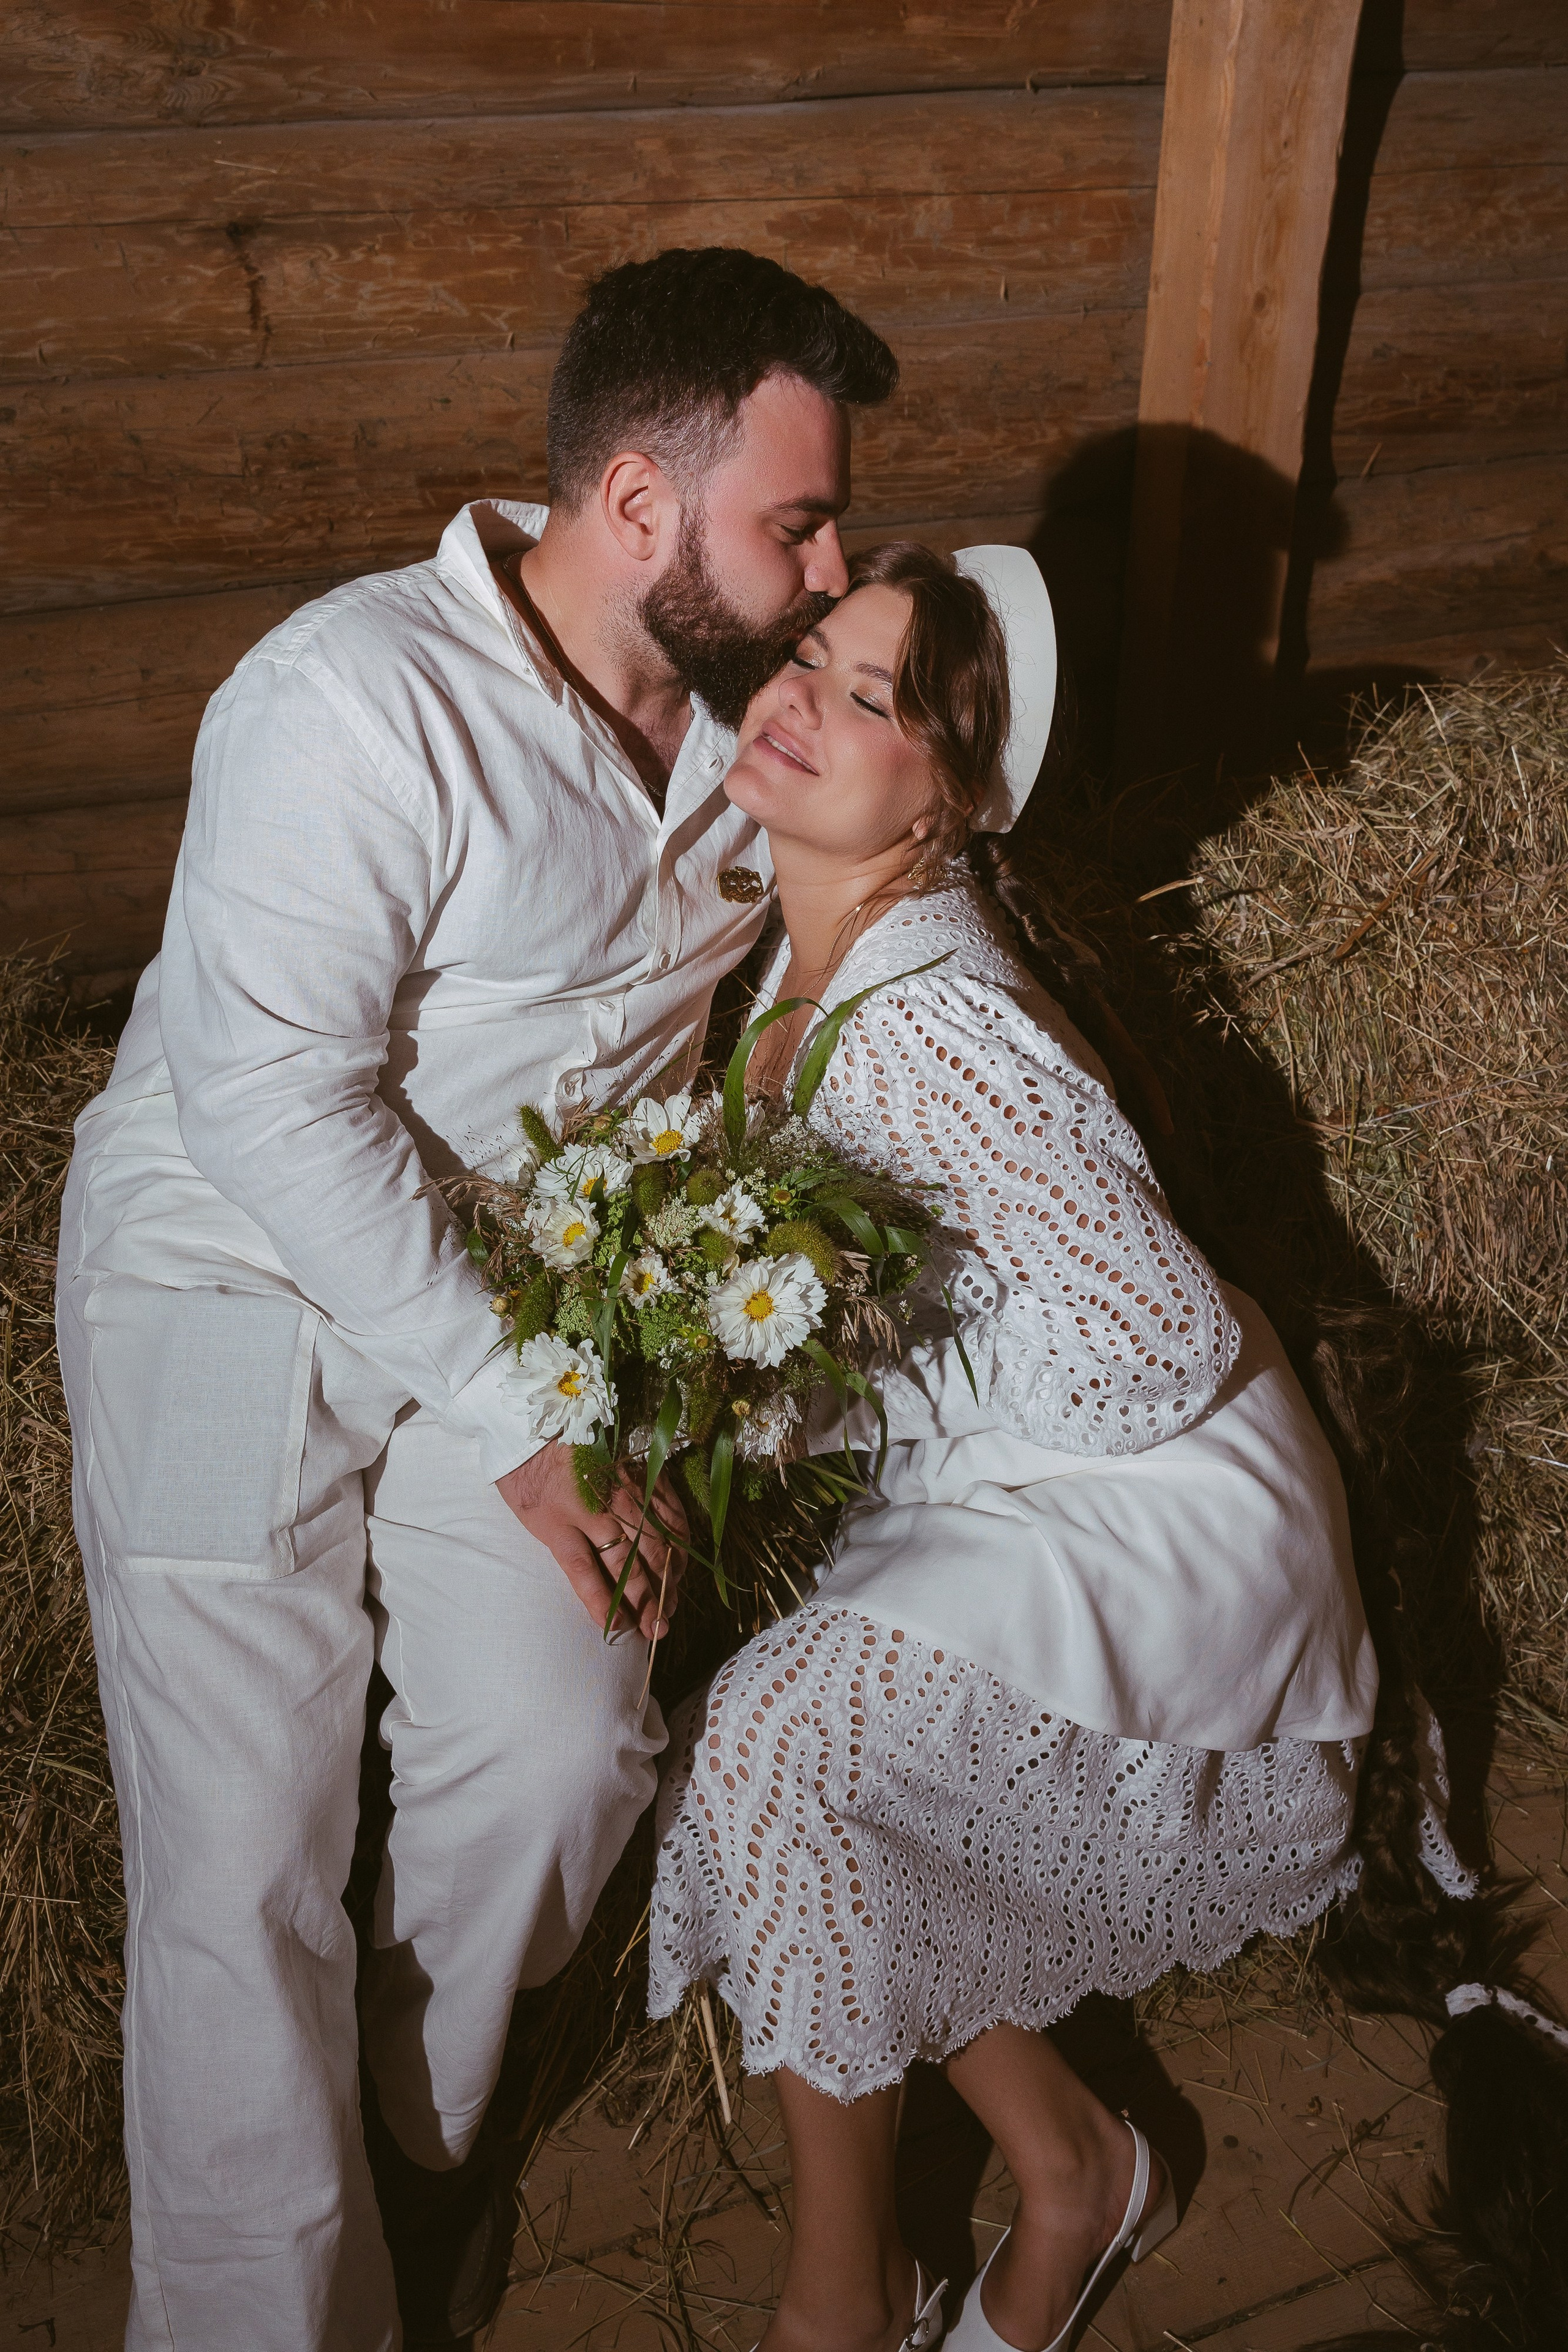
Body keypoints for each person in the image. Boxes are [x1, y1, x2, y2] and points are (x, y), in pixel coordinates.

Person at [55, 247, 897, 2351]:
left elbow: (894, 877)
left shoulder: (751, 733)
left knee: (558, 1752)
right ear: (635, 504)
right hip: (233, 1254)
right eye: (796, 519)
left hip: (530, 1283)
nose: (831, 564)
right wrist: (533, 1418)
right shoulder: (349, 698)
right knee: (242, 1853)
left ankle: (417, 2149)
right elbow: (267, 1095)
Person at [649, 543, 1478, 2352]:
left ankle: (843, 2302)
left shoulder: (929, 1023)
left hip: (1161, 1492)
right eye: (809, 653)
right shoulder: (784, 961)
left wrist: (891, 1421)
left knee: (784, 1737)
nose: (795, 699)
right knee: (793, 1758)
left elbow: (1157, 1338)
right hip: (1031, 1472)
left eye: (870, 700)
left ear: (953, 799)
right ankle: (1077, 2163)